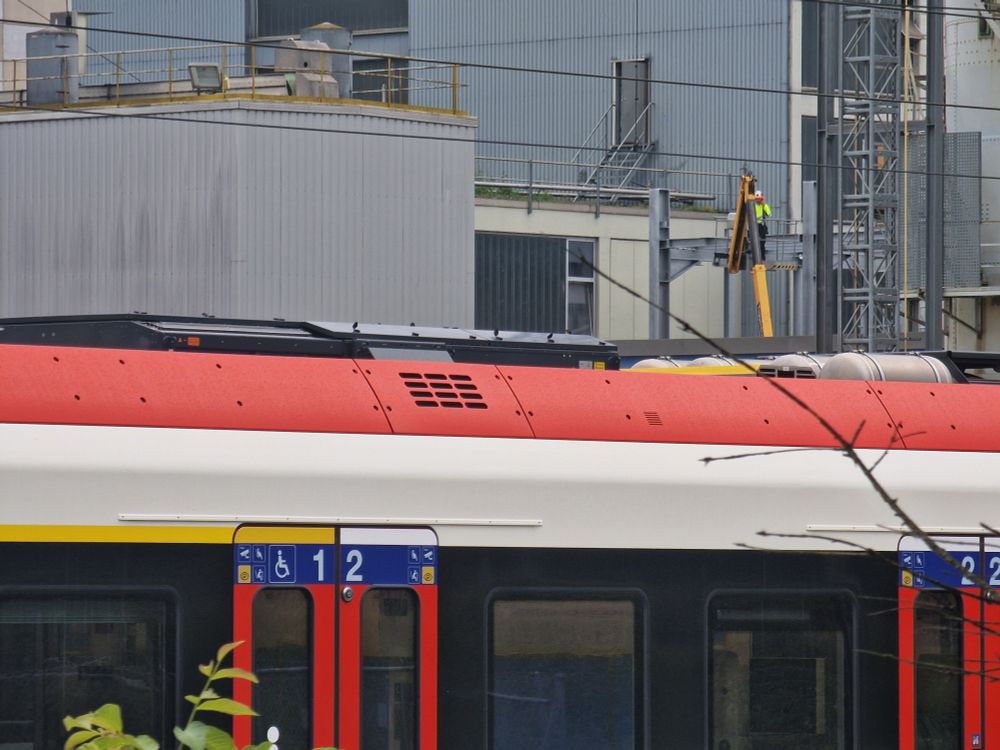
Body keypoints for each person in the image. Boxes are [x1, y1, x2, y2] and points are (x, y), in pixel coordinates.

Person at [754, 190, 772, 261]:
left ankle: (762, 257)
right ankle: (756, 255)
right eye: (757, 199)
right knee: (754, 241)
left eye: (760, 199)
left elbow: (769, 214)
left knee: (762, 242)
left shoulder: (764, 206)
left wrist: (764, 205)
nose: (758, 201)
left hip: (761, 225)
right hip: (754, 225)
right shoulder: (753, 205)